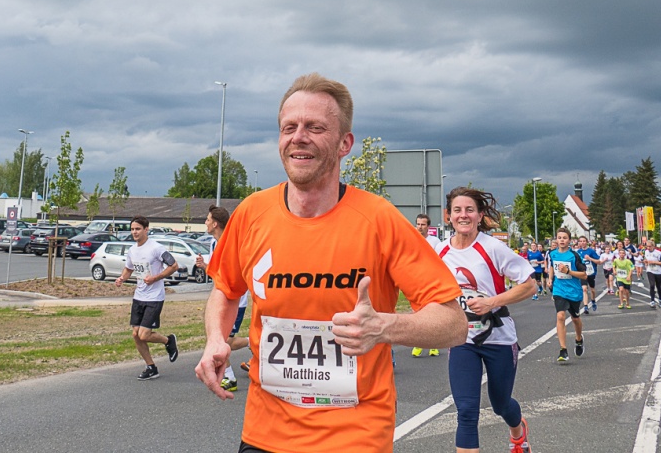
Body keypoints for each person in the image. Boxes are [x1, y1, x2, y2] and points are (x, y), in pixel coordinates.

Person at [194, 73, 466, 453]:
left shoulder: (379, 220)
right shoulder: (252, 213)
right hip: (264, 434)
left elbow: (453, 323)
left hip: (354, 437)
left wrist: (384, 326)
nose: (299, 137)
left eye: (315, 127)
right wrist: (214, 340)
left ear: (344, 143)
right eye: (289, 127)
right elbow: (224, 289)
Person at [438, 187, 537, 453]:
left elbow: (530, 286)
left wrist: (491, 302)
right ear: (448, 216)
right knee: (466, 412)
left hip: (499, 338)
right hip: (462, 339)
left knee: (501, 404)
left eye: (469, 210)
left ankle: (518, 432)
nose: (463, 215)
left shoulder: (492, 247)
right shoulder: (440, 251)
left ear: (480, 215)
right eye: (457, 210)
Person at [115, 216, 181, 379]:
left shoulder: (156, 248)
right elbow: (129, 268)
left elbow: (174, 266)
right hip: (139, 296)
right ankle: (151, 367)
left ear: (146, 229)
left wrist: (155, 278)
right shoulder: (132, 250)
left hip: (154, 297)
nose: (134, 232)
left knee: (144, 334)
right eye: (132, 229)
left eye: (138, 229)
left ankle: (168, 341)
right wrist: (122, 278)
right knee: (136, 334)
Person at [195, 206, 250, 390]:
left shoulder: (232, 242)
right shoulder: (213, 243)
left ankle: (254, 343)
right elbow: (219, 272)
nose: (205, 222)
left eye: (208, 219)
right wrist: (205, 266)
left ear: (215, 223)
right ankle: (229, 377)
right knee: (218, 339)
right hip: (220, 299)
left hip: (235, 300)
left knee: (226, 341)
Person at [547, 228, 587, 363]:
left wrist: (569, 271)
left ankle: (579, 339)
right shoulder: (552, 254)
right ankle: (563, 350)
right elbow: (552, 266)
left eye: (564, 238)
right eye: (559, 237)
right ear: (556, 240)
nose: (562, 240)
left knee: (575, 318)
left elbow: (584, 274)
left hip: (574, 291)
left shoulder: (574, 256)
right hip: (559, 289)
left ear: (569, 240)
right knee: (560, 315)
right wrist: (550, 278)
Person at [411, 214, 442, 358]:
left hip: (431, 281)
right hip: (414, 280)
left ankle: (434, 346)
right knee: (418, 313)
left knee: (432, 313)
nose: (420, 227)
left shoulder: (435, 242)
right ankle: (420, 343)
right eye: (418, 224)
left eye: (423, 224)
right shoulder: (410, 238)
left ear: (428, 227)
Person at [575, 236, 602, 313]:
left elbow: (599, 261)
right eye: (581, 241)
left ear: (586, 242)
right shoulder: (578, 252)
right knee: (584, 289)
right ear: (579, 242)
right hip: (583, 273)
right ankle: (586, 306)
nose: (582, 242)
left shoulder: (591, 251)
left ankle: (593, 300)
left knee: (592, 290)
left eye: (584, 241)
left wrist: (590, 258)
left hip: (591, 273)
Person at [643, 240, 661, 308]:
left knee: (658, 286)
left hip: (658, 271)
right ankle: (652, 300)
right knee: (652, 285)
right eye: (647, 246)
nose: (648, 248)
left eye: (650, 246)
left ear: (653, 246)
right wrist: (645, 262)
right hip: (650, 270)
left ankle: (660, 299)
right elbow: (645, 259)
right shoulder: (646, 252)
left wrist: (653, 262)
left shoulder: (658, 253)